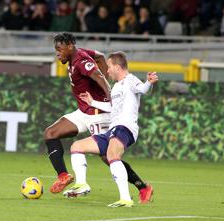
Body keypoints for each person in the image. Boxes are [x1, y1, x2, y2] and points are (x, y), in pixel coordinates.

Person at [45, 33, 153, 204]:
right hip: (84, 111)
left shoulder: (81, 61)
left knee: (108, 156)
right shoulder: (79, 54)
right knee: (51, 133)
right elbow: (100, 56)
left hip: (98, 113)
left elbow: (98, 77)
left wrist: (110, 97)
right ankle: (64, 176)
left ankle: (142, 186)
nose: (57, 53)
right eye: (56, 50)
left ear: (70, 46)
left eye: (59, 49)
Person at [64, 51, 158, 207]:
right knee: (77, 146)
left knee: (112, 155)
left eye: (108, 67)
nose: (106, 71)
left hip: (125, 127)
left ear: (117, 66)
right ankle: (81, 184)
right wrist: (92, 102)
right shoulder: (115, 87)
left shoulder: (130, 80)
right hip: (112, 130)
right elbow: (110, 107)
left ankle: (126, 199)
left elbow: (142, 89)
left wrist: (148, 82)